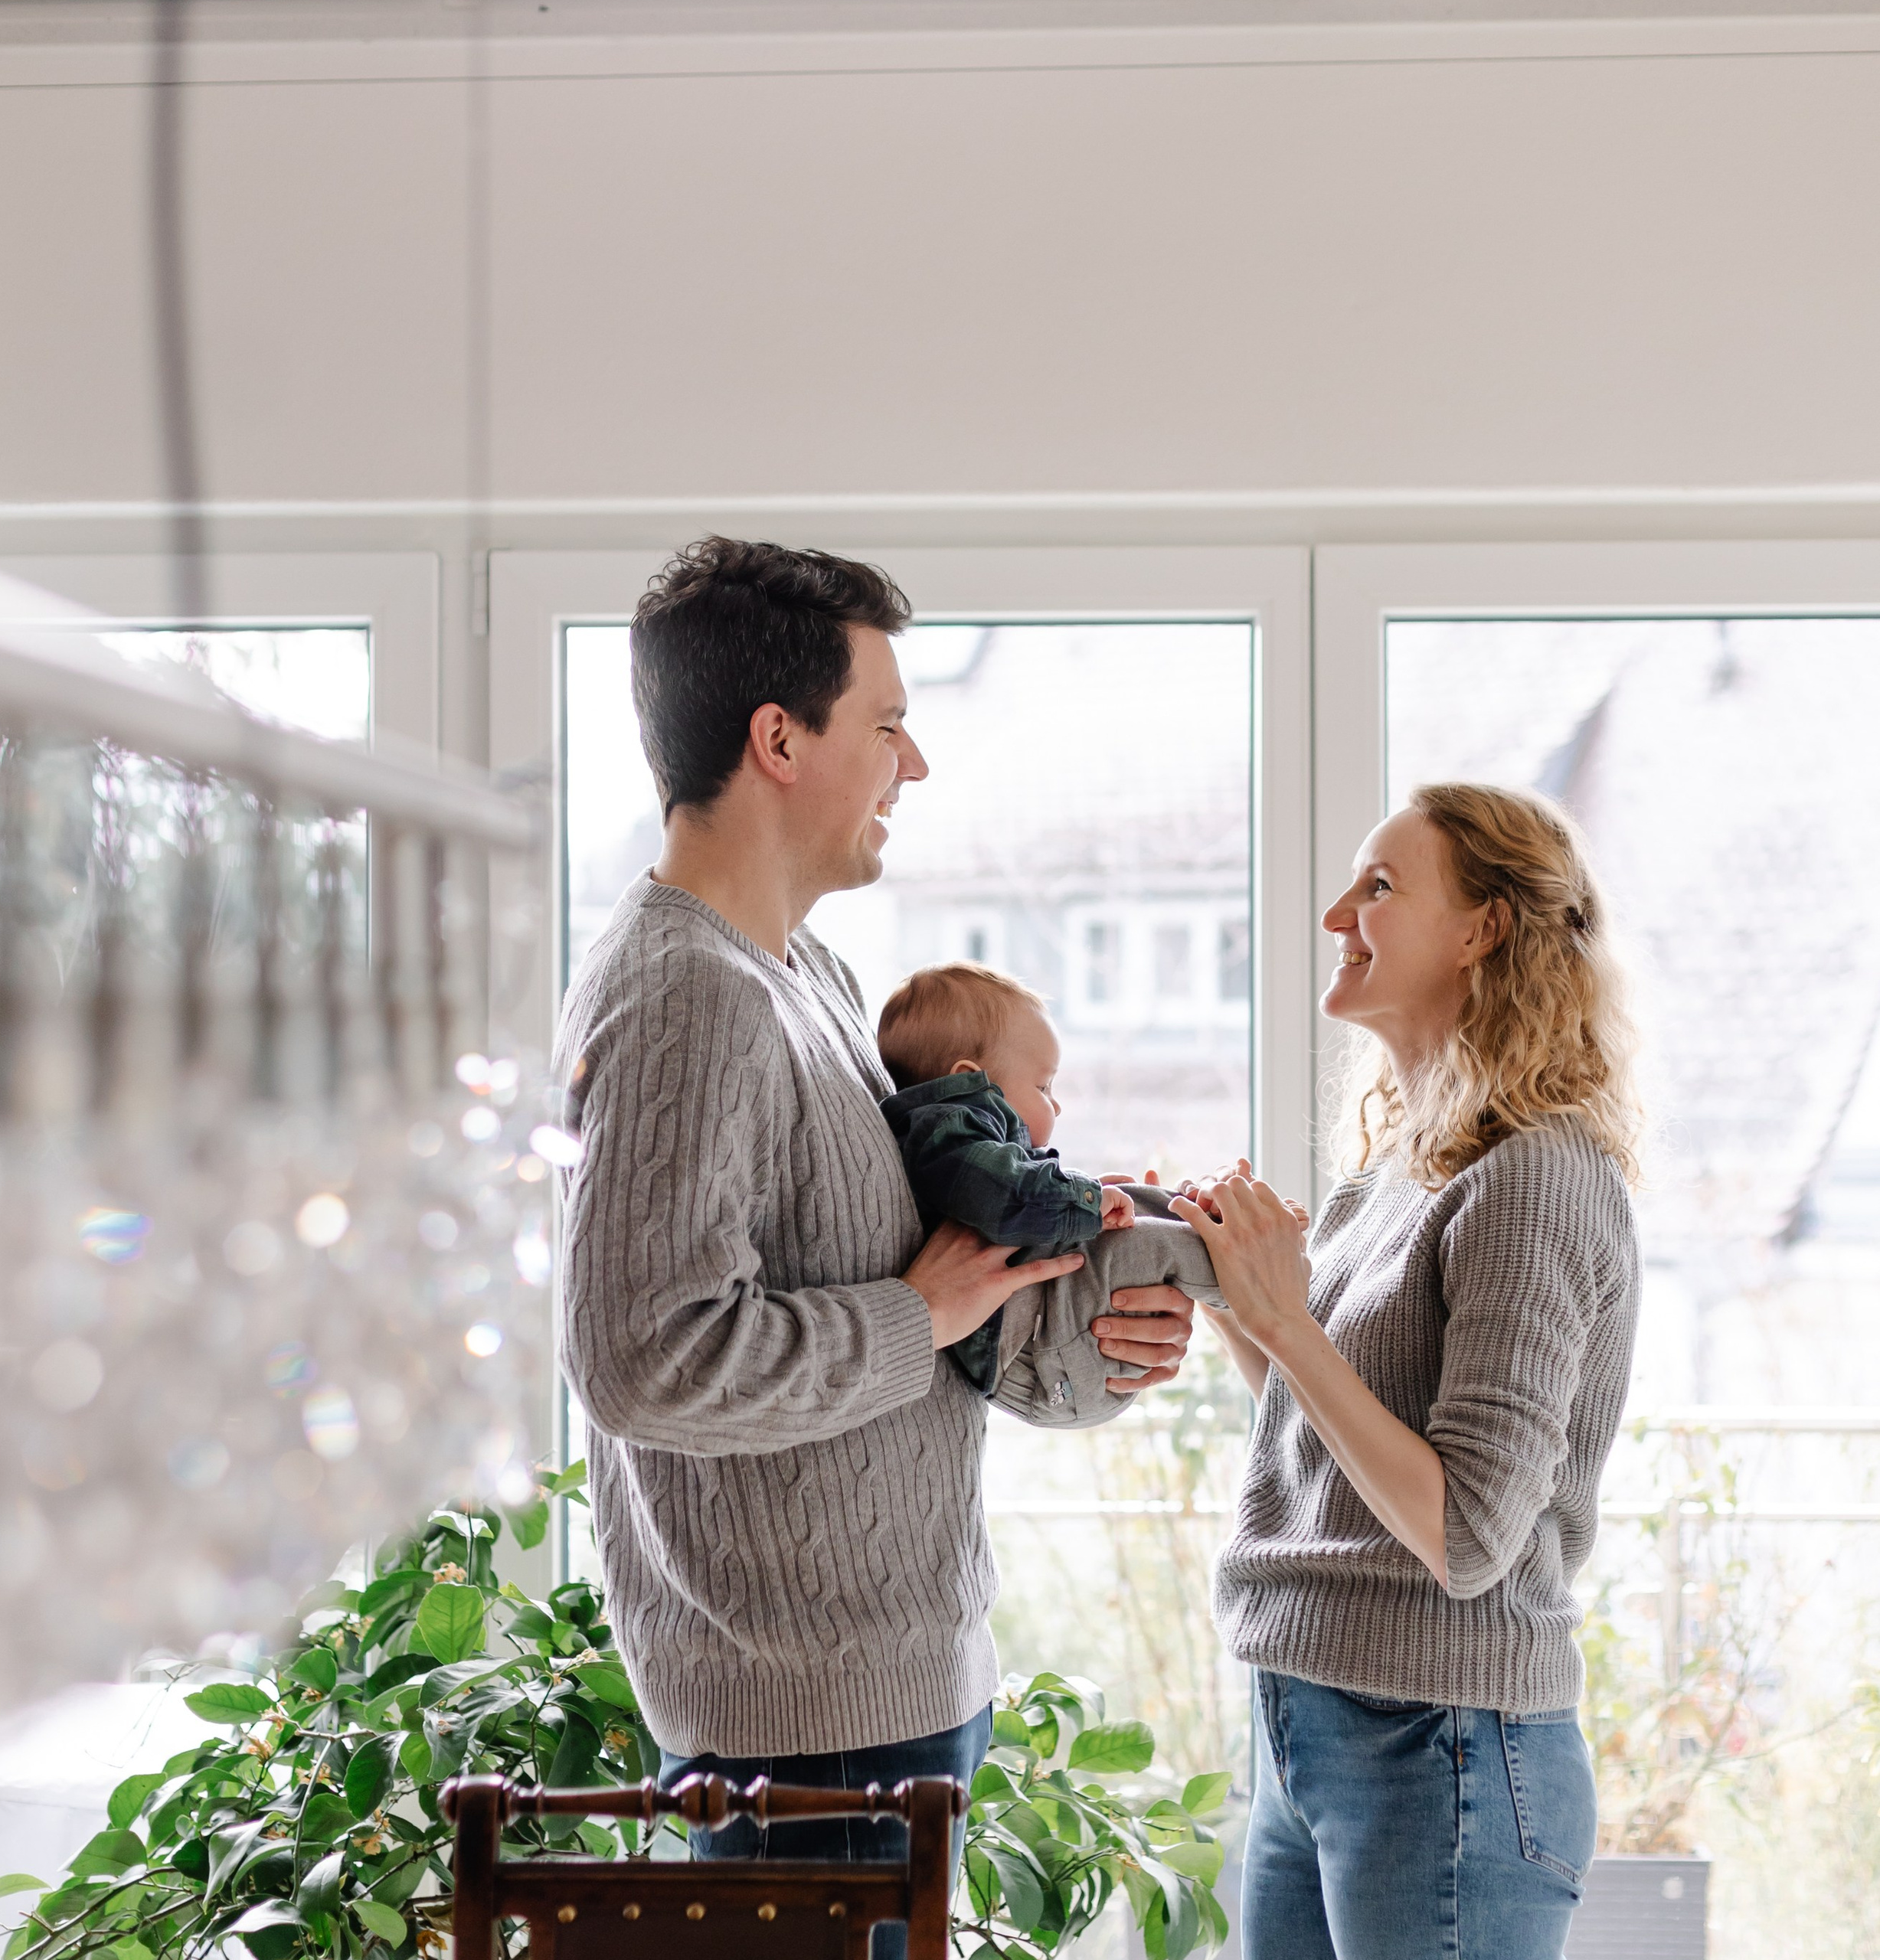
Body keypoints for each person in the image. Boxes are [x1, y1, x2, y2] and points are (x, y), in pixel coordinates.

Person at [552, 537, 1195, 1947]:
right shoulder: (686, 999)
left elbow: (923, 1291)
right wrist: (926, 1316)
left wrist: (1074, 1335)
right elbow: (643, 1361)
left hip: (881, 1709)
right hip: (808, 1742)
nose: (916, 765)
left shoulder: (813, 984)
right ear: (778, 740)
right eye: (889, 725)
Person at [1169, 783, 1641, 1960]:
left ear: (1483, 930)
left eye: (1379, 887)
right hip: (1305, 1720)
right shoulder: (1397, 1169)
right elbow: (1339, 1440)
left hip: (1443, 1749)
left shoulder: (1534, 1179)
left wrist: (1287, 1326)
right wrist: (1222, 1288)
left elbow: (1466, 1534)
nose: (1340, 911)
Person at [877, 959, 1226, 1400]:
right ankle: (1249, 1268)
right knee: (1140, 1242)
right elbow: (1007, 1197)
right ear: (969, 1080)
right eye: (1043, 1088)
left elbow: (1019, 1191)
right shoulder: (946, 1133)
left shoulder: (961, 1143)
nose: (1055, 1107)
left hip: (1042, 1327)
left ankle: (1209, 1220)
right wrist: (1080, 1199)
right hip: (1029, 1354)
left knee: (1129, 1200)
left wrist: (1089, 1197)